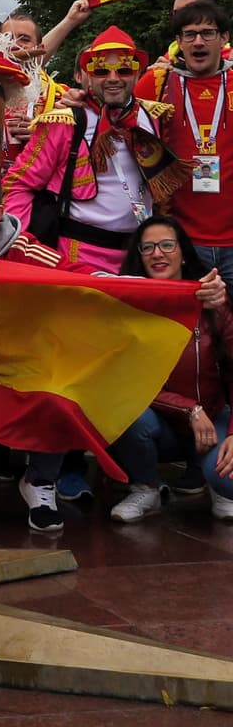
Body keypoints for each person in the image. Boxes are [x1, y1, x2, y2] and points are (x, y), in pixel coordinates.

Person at [4, 26, 180, 274]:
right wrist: (19, 243)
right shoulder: (65, 122)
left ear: (138, 72)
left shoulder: (153, 116)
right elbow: (19, 183)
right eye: (100, 71)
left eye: (124, 69)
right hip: (77, 258)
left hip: (141, 258)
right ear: (87, 74)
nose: (113, 78)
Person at [109, 215, 233, 522]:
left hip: (214, 421)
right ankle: (146, 489)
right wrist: (189, 409)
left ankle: (215, 483)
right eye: (147, 247)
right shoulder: (129, 308)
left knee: (227, 485)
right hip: (159, 425)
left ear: (183, 252)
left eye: (166, 245)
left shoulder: (212, 302)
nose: (157, 253)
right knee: (126, 413)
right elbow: (128, 382)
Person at [135, 2, 233, 292]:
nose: (198, 42)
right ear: (178, 42)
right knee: (193, 329)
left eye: (207, 33)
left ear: (224, 38)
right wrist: (76, 99)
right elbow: (116, 112)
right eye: (189, 35)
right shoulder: (157, 83)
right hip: (181, 240)